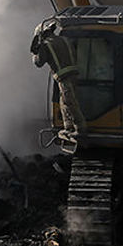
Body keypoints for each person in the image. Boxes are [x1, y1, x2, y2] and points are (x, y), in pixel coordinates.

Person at [31, 19, 87, 153]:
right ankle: (68, 128)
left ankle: (80, 129)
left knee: (69, 101)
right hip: (74, 74)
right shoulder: (64, 40)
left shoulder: (46, 45)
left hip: (64, 76)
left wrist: (35, 52)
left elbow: (38, 63)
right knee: (64, 102)